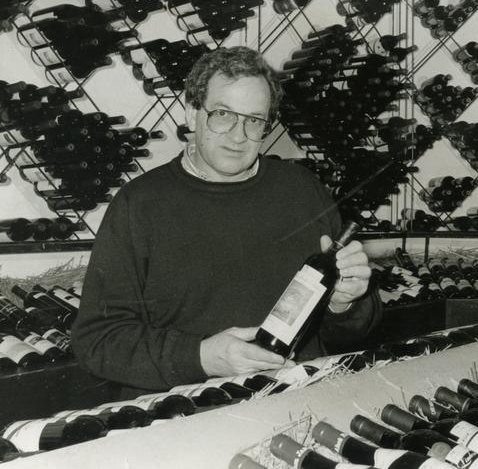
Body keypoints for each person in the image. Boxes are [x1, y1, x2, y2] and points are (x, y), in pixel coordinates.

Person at [71, 46, 382, 397]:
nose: (238, 135)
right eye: (223, 114)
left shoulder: (302, 190)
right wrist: (202, 357)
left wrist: (346, 304)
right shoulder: (138, 205)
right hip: (187, 417)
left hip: (298, 404)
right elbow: (97, 342)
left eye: (255, 120)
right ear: (192, 114)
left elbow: (352, 332)